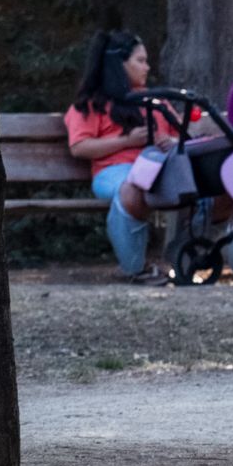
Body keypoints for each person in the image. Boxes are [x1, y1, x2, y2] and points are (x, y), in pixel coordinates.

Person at [64, 30, 179, 285]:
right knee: (132, 187)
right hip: (116, 172)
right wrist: (128, 141)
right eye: (140, 60)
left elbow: (185, 137)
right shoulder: (92, 104)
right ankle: (134, 268)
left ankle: (185, 260)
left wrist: (170, 142)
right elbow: (80, 147)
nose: (147, 67)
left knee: (200, 185)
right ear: (120, 64)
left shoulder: (156, 101)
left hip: (160, 171)